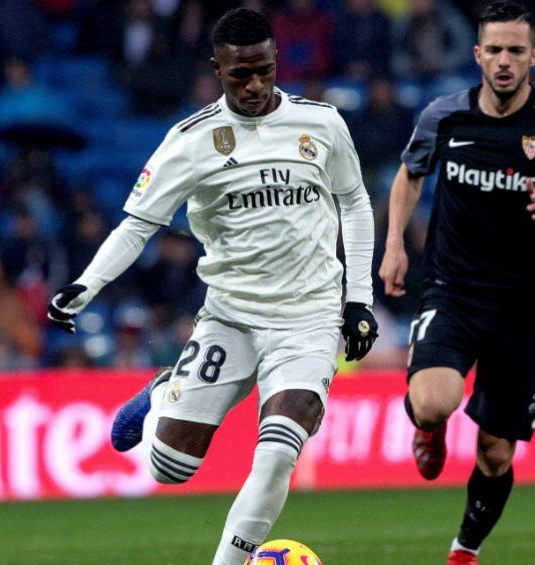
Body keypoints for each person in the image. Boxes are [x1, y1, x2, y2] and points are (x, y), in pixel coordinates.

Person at [46, 8, 377, 565]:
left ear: (276, 63)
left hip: (309, 318)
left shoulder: (322, 123)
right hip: (232, 316)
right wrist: (86, 284)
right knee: (169, 467)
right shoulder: (190, 142)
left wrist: (359, 300)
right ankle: (161, 393)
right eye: (239, 74)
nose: (254, 85)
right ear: (216, 69)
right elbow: (138, 225)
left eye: (264, 71)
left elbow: (355, 202)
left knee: (277, 453)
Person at [377, 3, 535, 565]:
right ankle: (427, 431)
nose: (504, 62)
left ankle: (464, 552)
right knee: (432, 404)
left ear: (534, 56)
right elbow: (409, 175)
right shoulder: (443, 117)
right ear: (478, 54)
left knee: (496, 455)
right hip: (452, 291)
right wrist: (395, 244)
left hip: (523, 307)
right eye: (495, 50)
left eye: (516, 51)